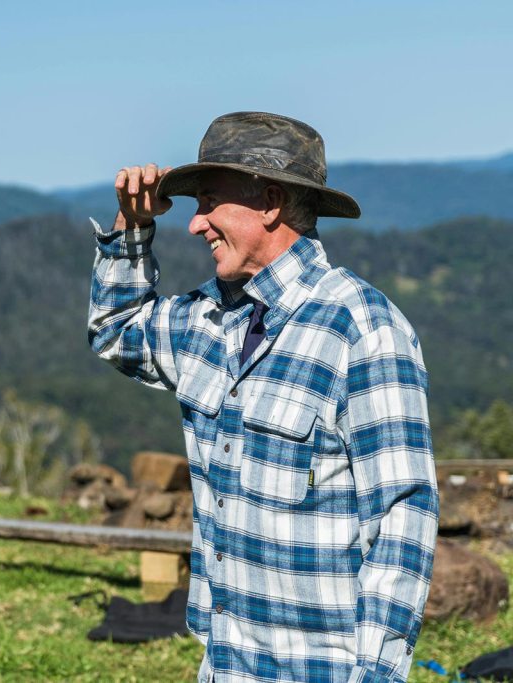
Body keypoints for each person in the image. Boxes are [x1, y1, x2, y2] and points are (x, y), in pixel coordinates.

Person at [88, 112, 438, 683]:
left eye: (208, 203)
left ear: (270, 202)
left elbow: (401, 518)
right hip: (225, 664)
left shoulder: (363, 329)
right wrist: (131, 229)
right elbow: (115, 331)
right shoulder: (204, 319)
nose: (195, 225)